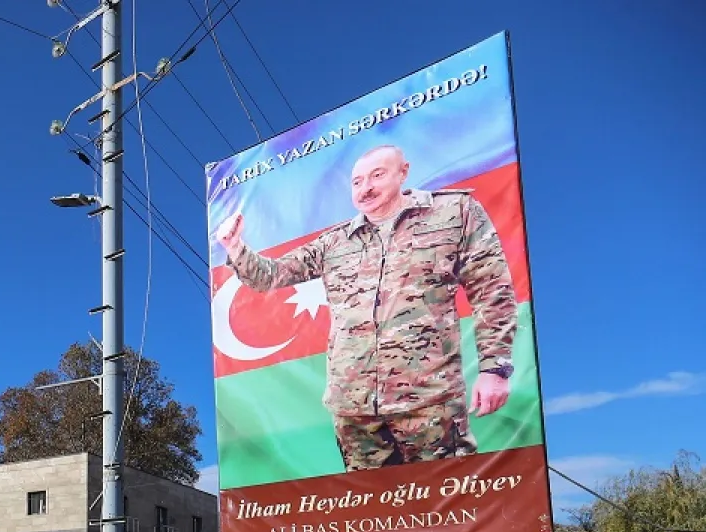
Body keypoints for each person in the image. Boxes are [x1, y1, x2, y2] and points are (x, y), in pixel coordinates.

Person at [216, 144, 518, 470]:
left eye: (377, 175)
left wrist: (494, 369)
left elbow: (492, 290)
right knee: (370, 514)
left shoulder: (454, 214)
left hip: (430, 402)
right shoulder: (335, 243)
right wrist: (235, 246)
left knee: (446, 509)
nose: (366, 188)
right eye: (357, 181)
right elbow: (269, 276)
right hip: (355, 412)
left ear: (404, 172)